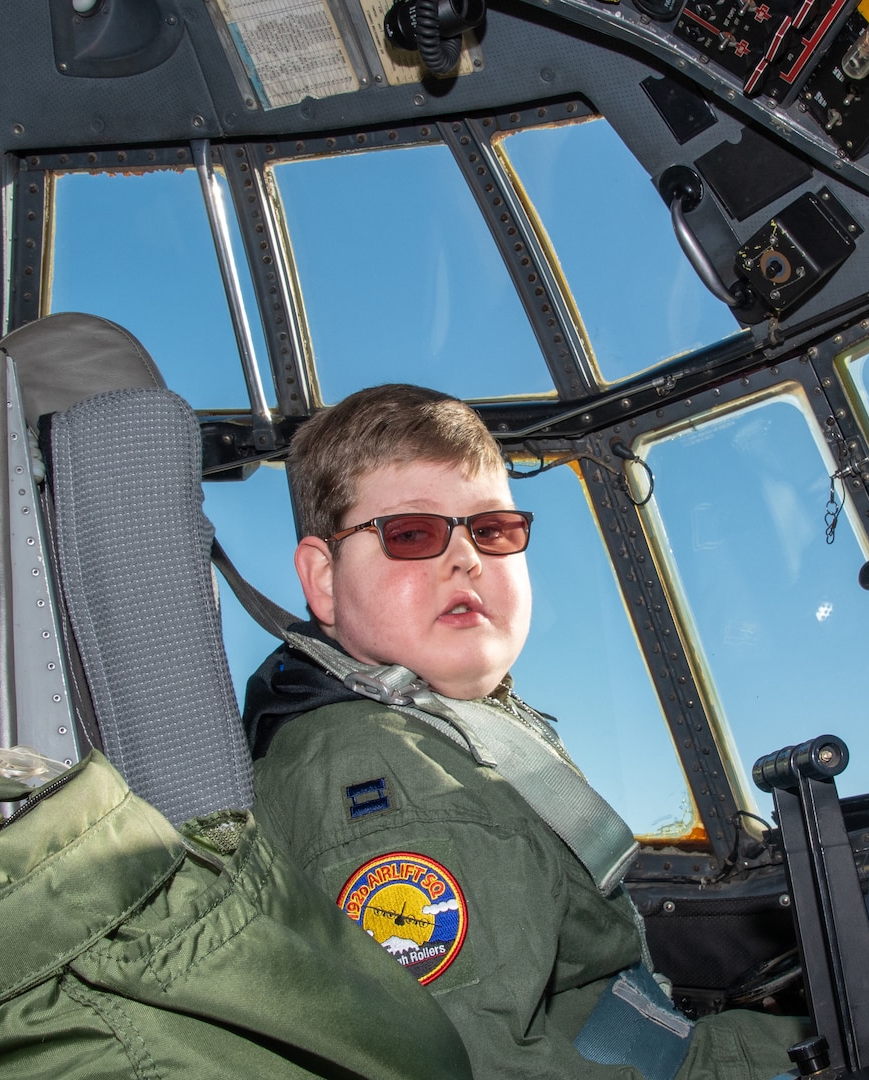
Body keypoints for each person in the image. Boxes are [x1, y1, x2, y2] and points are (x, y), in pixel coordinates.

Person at [242, 384, 823, 1080]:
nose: (466, 559)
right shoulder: (386, 777)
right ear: (325, 581)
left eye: (491, 530)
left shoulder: (446, 727)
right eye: (413, 533)